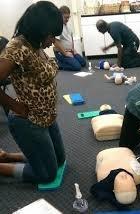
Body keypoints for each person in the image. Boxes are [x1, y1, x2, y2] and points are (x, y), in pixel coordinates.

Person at [0, 1, 66, 183]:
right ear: (39, 30)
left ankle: (7, 156)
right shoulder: (17, 47)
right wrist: (14, 105)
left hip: (48, 117)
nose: (52, 41)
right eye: (51, 36)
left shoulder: (36, 44)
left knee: (60, 160)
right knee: (46, 175)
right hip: (29, 121)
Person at [53, 5, 86, 71]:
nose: (67, 19)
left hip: (70, 51)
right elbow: (56, 42)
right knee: (77, 67)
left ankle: (69, 60)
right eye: (65, 17)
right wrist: (65, 53)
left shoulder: (68, 25)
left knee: (83, 63)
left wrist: (73, 49)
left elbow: (71, 38)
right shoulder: (57, 26)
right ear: (60, 16)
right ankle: (58, 64)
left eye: (68, 17)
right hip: (61, 53)